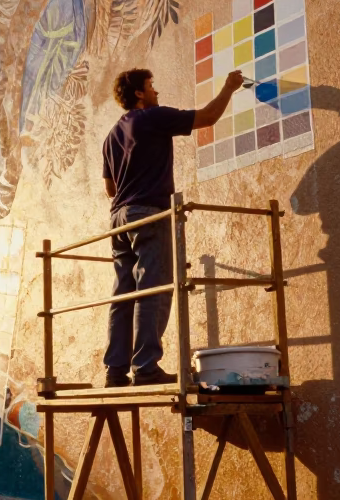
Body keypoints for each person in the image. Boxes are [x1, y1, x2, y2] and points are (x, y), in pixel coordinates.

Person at [101, 68, 244, 387]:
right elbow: (208, 116)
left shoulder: (111, 136)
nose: (156, 92)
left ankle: (115, 372)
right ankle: (146, 367)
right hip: (148, 214)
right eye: (151, 86)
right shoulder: (153, 117)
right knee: (153, 287)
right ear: (139, 93)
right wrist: (229, 87)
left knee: (124, 294)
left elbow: (110, 189)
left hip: (119, 219)